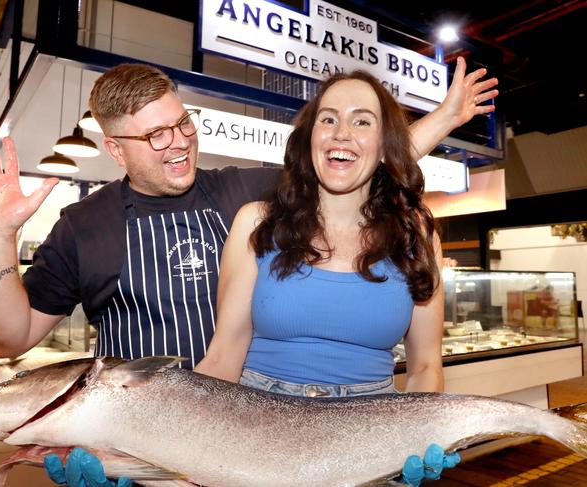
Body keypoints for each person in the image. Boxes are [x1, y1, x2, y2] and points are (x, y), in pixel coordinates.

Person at [0, 59, 497, 487]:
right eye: (154, 136)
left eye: (180, 123)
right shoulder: (83, 228)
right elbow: (9, 339)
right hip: (145, 441)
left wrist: (445, 118)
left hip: (251, 433)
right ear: (115, 149)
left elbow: (349, 163)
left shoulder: (243, 194)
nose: (178, 143)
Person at [193, 68, 459, 482]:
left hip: (371, 438)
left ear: (385, 144)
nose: (341, 133)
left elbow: (425, 365)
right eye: (328, 119)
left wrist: (416, 437)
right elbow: (224, 355)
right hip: (257, 430)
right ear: (310, 138)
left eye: (362, 121)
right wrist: (168, 448)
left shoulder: (417, 235)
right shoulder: (256, 223)